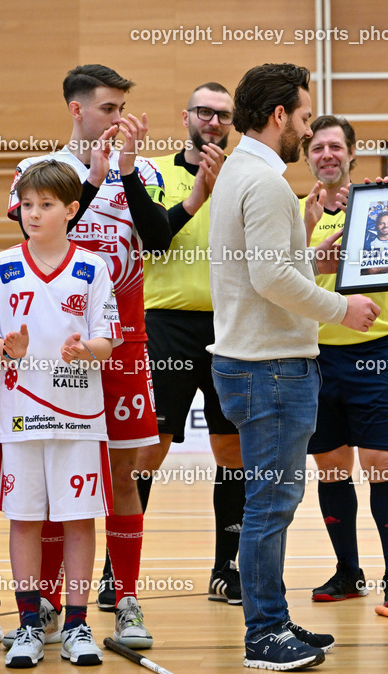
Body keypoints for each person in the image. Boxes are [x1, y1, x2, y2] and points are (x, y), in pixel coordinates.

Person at [208, 63, 380, 671]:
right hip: (270, 367)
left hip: (251, 362)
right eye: (306, 118)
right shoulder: (266, 181)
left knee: (269, 501)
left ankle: (272, 620)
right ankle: (264, 635)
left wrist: (310, 252)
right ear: (279, 115)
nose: (308, 132)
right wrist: (341, 307)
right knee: (270, 504)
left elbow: (274, 266)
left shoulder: (241, 171)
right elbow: (271, 277)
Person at [6, 63, 170, 650]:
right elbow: (33, 244)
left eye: (123, 107)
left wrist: (123, 176)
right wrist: (96, 184)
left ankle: (124, 598)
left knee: (124, 475)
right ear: (77, 110)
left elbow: (158, 240)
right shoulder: (37, 173)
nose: (118, 119)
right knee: (50, 482)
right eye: (107, 108)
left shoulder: (142, 169)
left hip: (123, 344)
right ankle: (46, 606)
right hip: (51, 357)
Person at [0, 160, 120, 668]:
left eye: (46, 205)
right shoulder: (1, 266)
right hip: (21, 419)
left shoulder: (94, 267)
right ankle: (27, 627)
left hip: (79, 416)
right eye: (27, 205)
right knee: (23, 519)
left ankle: (78, 626)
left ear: (70, 210)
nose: (33, 214)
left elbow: (108, 341)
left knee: (79, 519)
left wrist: (89, 349)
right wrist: (9, 349)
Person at [300, 114, 388, 608]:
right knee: (330, 467)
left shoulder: (379, 205)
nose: (326, 154)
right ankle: (347, 571)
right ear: (307, 156)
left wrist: (384, 208)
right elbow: (280, 271)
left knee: (382, 463)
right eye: (317, 148)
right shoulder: (292, 211)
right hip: (316, 354)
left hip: (376, 350)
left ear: (351, 154)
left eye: (335, 147)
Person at [136, 82, 245, 606]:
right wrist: (198, 190)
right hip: (166, 323)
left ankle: (227, 567)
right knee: (149, 448)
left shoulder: (245, 175)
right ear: (186, 116)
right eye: (204, 111)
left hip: (229, 326)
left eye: (223, 114)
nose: (213, 121)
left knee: (233, 448)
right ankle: (121, 571)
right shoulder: (152, 172)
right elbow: (150, 236)